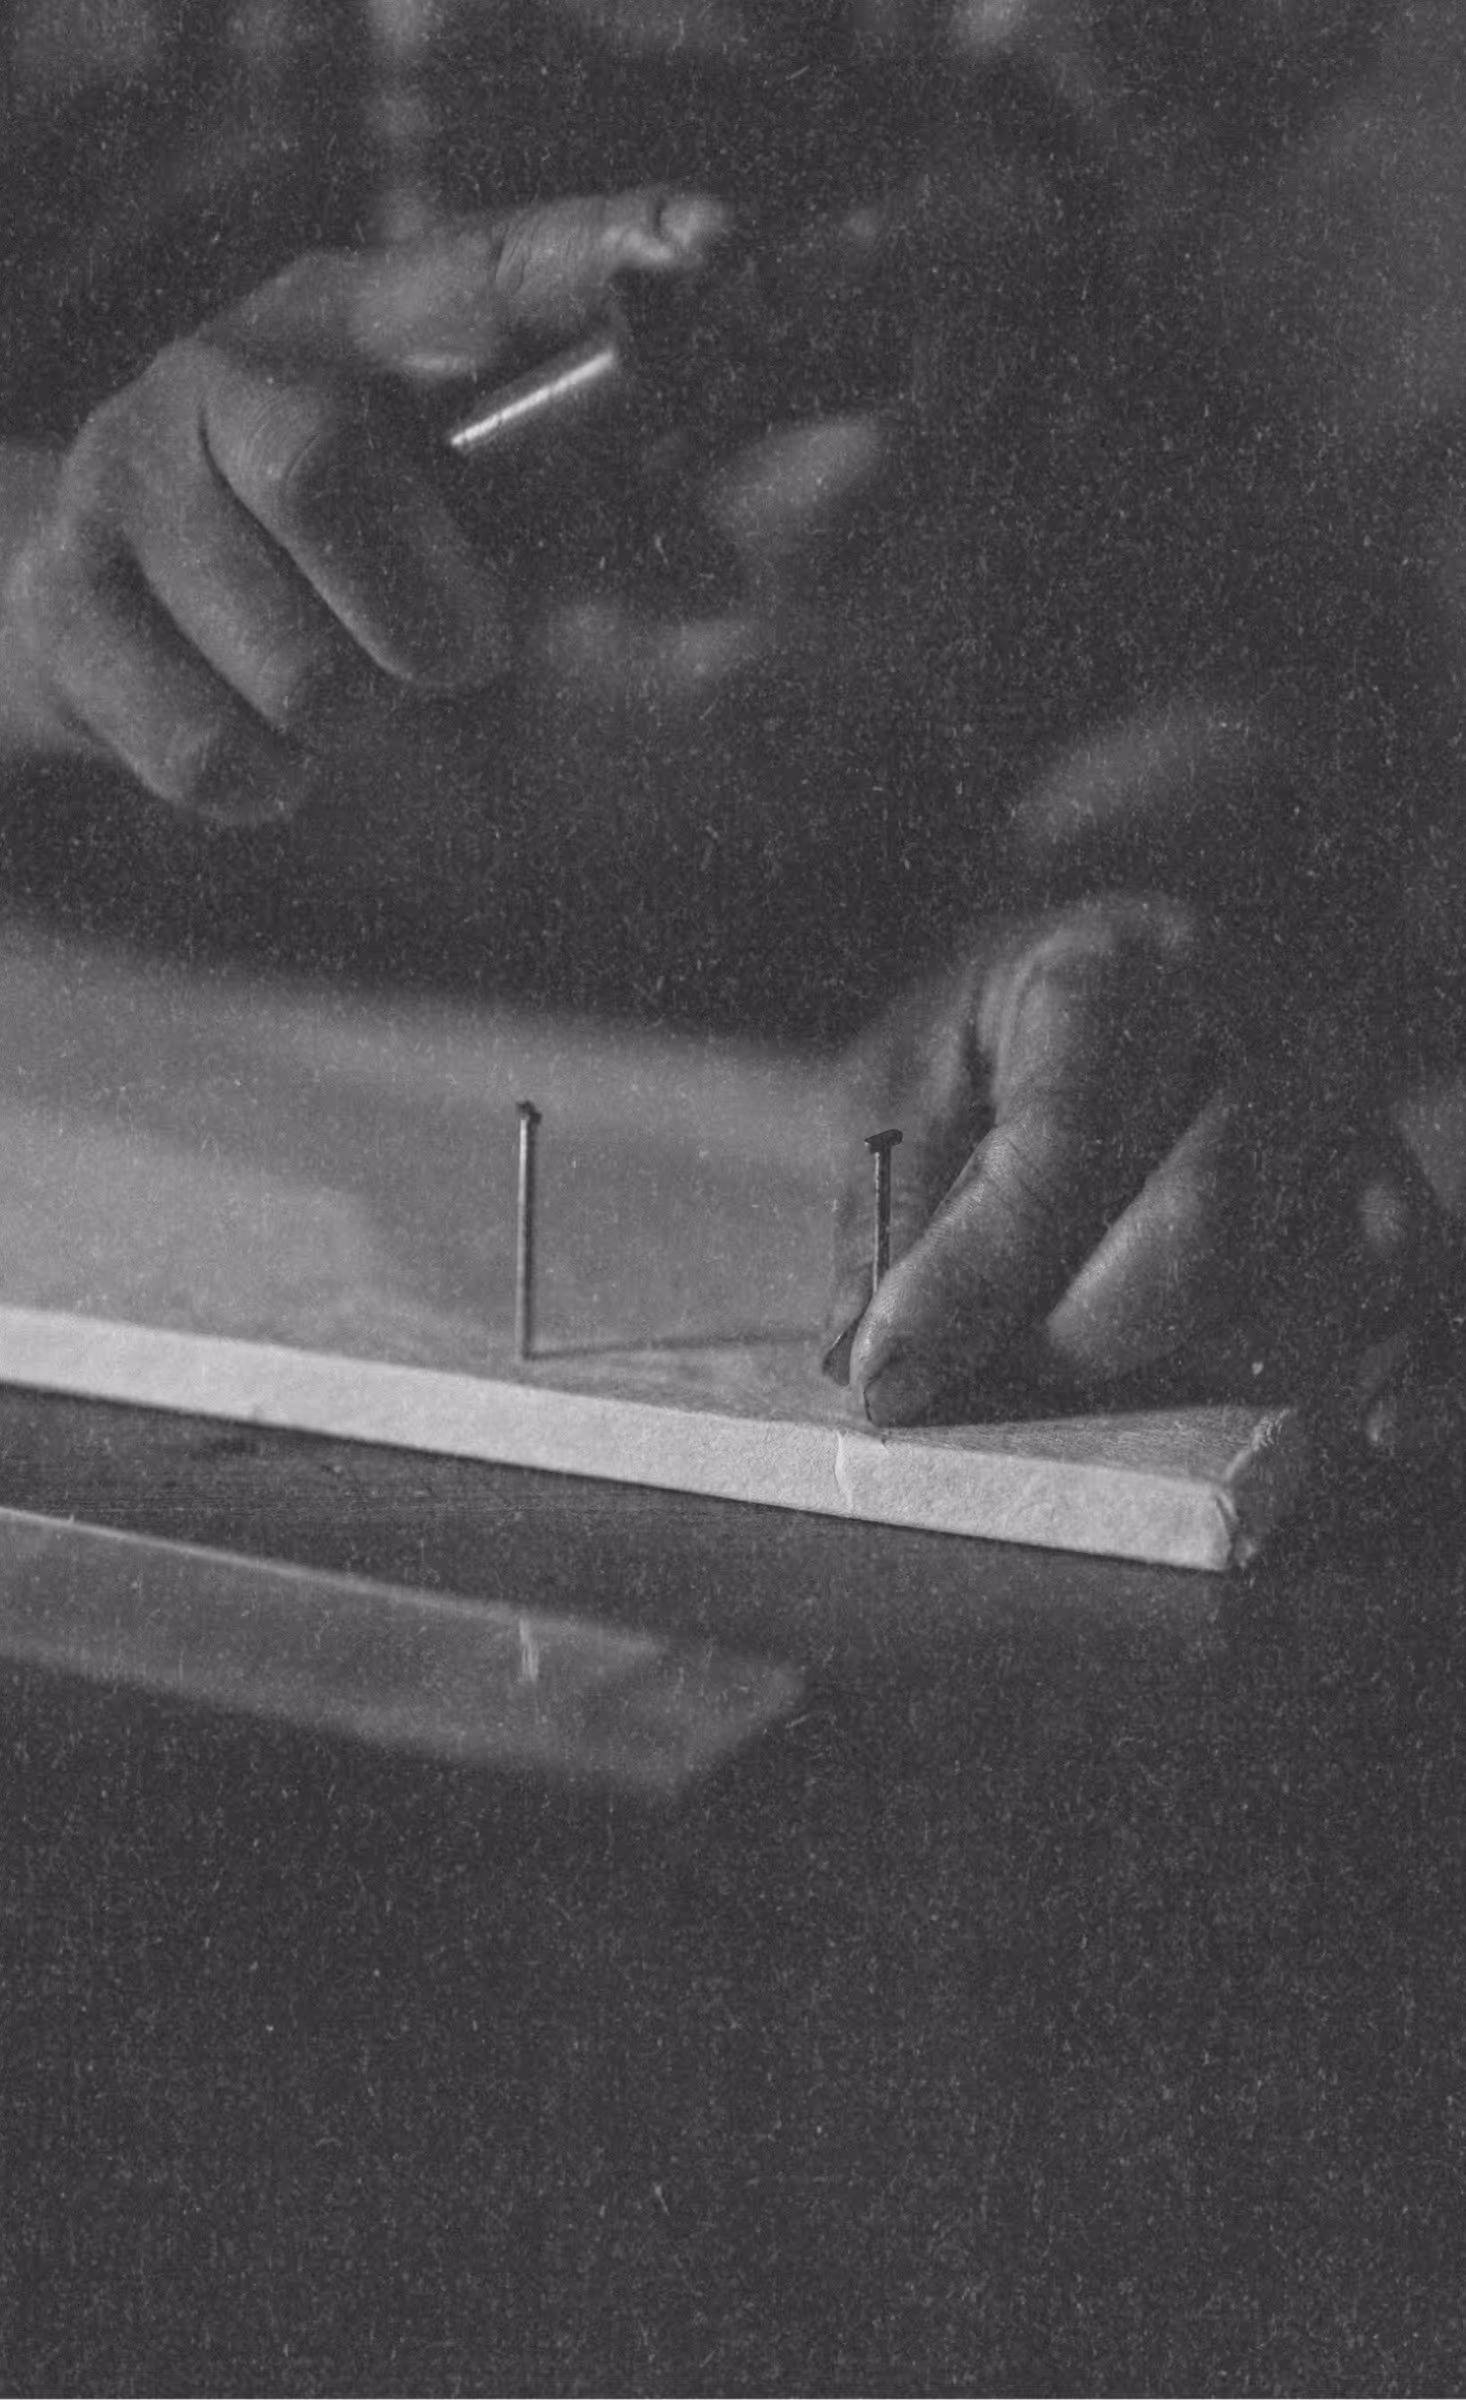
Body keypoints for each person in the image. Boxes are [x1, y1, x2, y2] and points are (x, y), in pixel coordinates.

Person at [1, 0, 1463, 1423]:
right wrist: (42, 574)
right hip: (104, 1111)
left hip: (861, 1072)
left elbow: (1328, 602)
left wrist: (1152, 890)